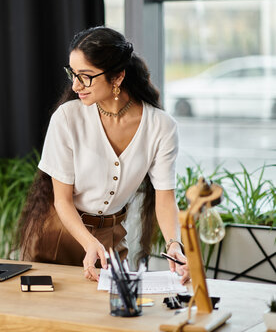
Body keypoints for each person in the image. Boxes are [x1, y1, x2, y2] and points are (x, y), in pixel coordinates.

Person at [17, 26, 190, 284]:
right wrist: (89, 243)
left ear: (118, 77)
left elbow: (165, 197)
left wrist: (174, 245)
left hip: (110, 236)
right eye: (72, 74)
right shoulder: (67, 118)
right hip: (57, 234)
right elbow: (62, 200)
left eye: (85, 76)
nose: (75, 85)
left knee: (112, 317)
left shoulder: (161, 127)